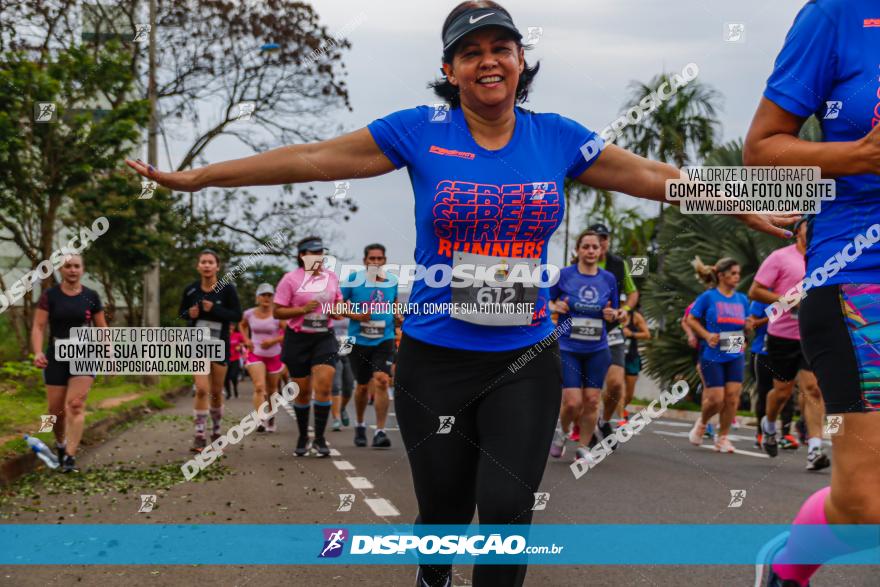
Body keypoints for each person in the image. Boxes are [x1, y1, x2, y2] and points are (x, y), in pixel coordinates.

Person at [126, 2, 791, 583]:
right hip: (435, 359)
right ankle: (433, 572)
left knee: (505, 511)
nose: (488, 61)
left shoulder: (556, 136)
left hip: (526, 357)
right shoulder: (420, 131)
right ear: (451, 71)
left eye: (500, 47)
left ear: (520, 58)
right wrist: (202, 178)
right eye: (469, 52)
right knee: (443, 512)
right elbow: (310, 157)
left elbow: (650, 175)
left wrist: (746, 203)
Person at [744, 1, 880, 584]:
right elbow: (762, 151)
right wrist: (859, 156)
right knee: (866, 506)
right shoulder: (838, 15)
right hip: (859, 273)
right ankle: (787, 564)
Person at [749, 219, 829, 470]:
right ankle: (769, 424)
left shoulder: (824, 258)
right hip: (782, 335)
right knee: (782, 392)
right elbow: (755, 291)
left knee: (813, 389)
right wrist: (788, 300)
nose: (815, 227)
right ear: (797, 231)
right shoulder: (780, 257)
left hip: (812, 334)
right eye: (809, 224)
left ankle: (815, 450)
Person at [548, 230, 624, 462]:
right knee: (572, 401)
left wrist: (613, 314)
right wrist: (555, 306)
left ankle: (583, 447)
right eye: (586, 247)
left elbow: (614, 310)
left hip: (597, 348)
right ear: (578, 250)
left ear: (600, 251)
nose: (591, 251)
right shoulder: (564, 275)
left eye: (595, 247)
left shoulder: (608, 279)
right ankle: (562, 432)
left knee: (592, 399)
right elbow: (547, 301)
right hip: (568, 346)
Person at [31, 254, 107, 473]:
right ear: (60, 270)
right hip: (56, 354)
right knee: (56, 411)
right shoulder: (50, 295)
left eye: (76, 266)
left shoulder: (91, 296)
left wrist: (108, 352)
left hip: (84, 353)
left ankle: (71, 457)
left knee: (75, 405)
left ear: (82, 269)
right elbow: (38, 326)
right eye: (67, 266)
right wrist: (37, 352)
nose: (72, 270)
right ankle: (61, 445)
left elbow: (102, 328)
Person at [273, 237, 342, 458]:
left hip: (325, 337)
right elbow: (278, 311)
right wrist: (302, 310)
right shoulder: (290, 279)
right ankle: (303, 436)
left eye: (321, 252)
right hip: (298, 338)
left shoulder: (331, 277)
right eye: (313, 253)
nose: (318, 257)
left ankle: (320, 439)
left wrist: (338, 310)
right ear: (302, 256)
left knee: (324, 385)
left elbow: (338, 303)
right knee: (302, 392)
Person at [179, 249, 242, 452]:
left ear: (217, 266)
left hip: (219, 343)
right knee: (202, 388)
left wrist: (213, 309)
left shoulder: (227, 289)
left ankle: (215, 430)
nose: (206, 265)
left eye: (210, 262)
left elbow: (237, 315)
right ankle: (199, 434)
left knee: (216, 391)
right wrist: (190, 313)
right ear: (198, 266)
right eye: (203, 262)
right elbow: (181, 313)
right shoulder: (190, 290)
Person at [686, 257, 750, 453]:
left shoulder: (742, 299)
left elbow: (744, 324)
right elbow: (691, 319)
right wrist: (706, 335)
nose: (737, 277)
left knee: (732, 398)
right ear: (721, 276)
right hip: (712, 351)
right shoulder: (709, 297)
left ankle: (722, 438)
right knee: (716, 399)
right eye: (733, 273)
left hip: (734, 349)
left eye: (738, 273)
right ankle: (703, 422)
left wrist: (746, 335)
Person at [341, 243, 400, 449]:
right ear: (365, 260)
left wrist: (397, 316)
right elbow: (337, 305)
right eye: (371, 259)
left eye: (379, 259)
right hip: (359, 341)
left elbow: (393, 304)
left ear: (384, 260)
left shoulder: (392, 281)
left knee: (382, 380)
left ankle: (380, 431)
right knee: (363, 386)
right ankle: (359, 424)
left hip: (384, 338)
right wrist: (356, 315)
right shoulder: (353, 280)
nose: (375, 262)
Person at [588, 223, 638, 440]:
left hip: (612, 329)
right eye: (597, 238)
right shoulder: (577, 263)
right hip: (585, 329)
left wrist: (624, 310)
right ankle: (584, 427)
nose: (601, 242)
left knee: (617, 384)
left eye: (604, 238)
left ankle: (604, 421)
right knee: (586, 389)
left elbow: (633, 294)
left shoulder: (618, 265)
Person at [240, 283, 286, 432]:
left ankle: (271, 418)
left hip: (274, 355)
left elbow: (288, 333)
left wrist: (273, 341)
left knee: (272, 390)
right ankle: (260, 419)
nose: (266, 298)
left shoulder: (278, 314)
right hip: (255, 354)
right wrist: (247, 340)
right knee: (259, 387)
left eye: (269, 295)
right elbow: (242, 325)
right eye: (263, 295)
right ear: (257, 297)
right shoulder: (249, 313)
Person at [620, 303, 650, 423]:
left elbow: (647, 334)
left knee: (629, 393)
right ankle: (622, 417)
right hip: (615, 356)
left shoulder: (635, 317)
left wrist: (631, 334)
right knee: (618, 387)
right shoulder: (611, 314)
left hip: (631, 357)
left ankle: (621, 409)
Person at [331, 354, 355, 431]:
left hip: (347, 356)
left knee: (349, 387)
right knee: (335, 387)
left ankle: (341, 408)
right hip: (333, 355)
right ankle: (336, 419)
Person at [225, 323, 245, 400]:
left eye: (232, 325)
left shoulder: (237, 335)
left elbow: (244, 341)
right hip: (225, 359)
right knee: (226, 377)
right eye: (229, 325)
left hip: (235, 358)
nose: (231, 327)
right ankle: (228, 393)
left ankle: (235, 389)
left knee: (233, 376)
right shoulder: (224, 335)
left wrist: (240, 346)